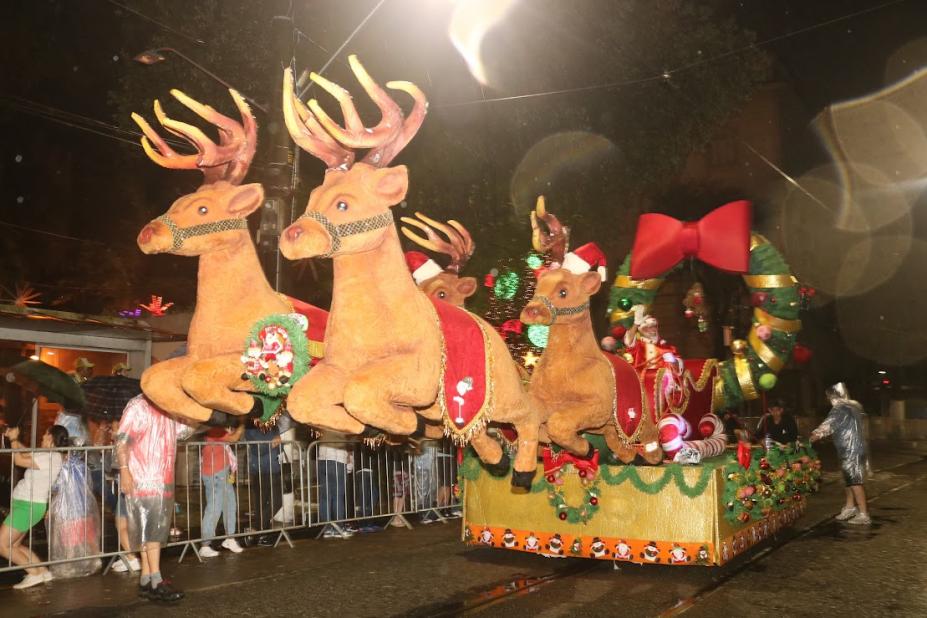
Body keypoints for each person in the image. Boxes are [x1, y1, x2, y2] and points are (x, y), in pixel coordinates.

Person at [116, 394, 192, 602]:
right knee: (151, 531)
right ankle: (157, 581)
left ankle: (146, 580)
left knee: (151, 530)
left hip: (162, 478)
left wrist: (197, 414)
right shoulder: (138, 405)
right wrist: (124, 470)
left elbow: (181, 431)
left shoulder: (167, 405)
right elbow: (123, 439)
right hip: (143, 478)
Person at [0, 424, 67, 589]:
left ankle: (34, 573)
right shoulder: (50, 455)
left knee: (2, 545)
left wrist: (14, 439)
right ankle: (43, 572)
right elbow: (27, 453)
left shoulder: (51, 457)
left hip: (28, 506)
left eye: (45, 434)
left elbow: (19, 460)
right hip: (27, 505)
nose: (43, 436)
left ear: (51, 438)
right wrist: (13, 439)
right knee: (14, 545)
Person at [811, 382, 870, 525]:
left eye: (828, 396)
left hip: (851, 450)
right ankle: (850, 507)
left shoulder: (839, 409)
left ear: (834, 396)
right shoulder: (855, 406)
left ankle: (864, 514)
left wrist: (813, 436)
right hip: (855, 448)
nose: (828, 399)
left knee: (855, 481)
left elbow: (828, 425)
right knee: (849, 480)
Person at [244, 413, 291, 546]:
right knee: (261, 505)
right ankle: (261, 534)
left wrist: (279, 442)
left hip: (274, 469)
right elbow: (258, 449)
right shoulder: (250, 429)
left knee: (276, 502)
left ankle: (256, 530)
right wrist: (273, 443)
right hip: (259, 470)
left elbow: (279, 448)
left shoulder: (273, 426)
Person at [199, 421, 244, 557]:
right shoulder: (214, 430)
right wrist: (242, 422)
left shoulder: (217, 429)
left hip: (222, 473)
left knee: (230, 505)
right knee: (214, 508)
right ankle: (205, 545)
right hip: (214, 475)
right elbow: (234, 438)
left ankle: (229, 538)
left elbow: (233, 439)